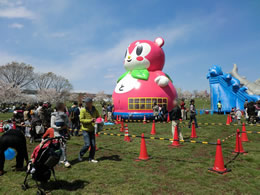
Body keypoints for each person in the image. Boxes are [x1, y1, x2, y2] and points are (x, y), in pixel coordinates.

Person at [78, 98, 99, 163]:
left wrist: (99, 120)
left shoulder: (94, 109)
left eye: (87, 103)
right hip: (85, 130)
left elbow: (98, 116)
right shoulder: (83, 110)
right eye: (85, 103)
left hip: (92, 129)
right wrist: (90, 120)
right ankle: (80, 154)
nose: (86, 104)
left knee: (93, 145)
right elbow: (81, 120)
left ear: (91, 103)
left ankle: (91, 158)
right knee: (87, 144)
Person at [50, 102, 71, 168]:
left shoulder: (64, 115)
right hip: (57, 133)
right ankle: (58, 159)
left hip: (64, 133)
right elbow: (52, 125)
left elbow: (68, 123)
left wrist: (66, 127)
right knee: (57, 147)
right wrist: (59, 128)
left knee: (63, 146)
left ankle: (64, 160)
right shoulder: (53, 116)